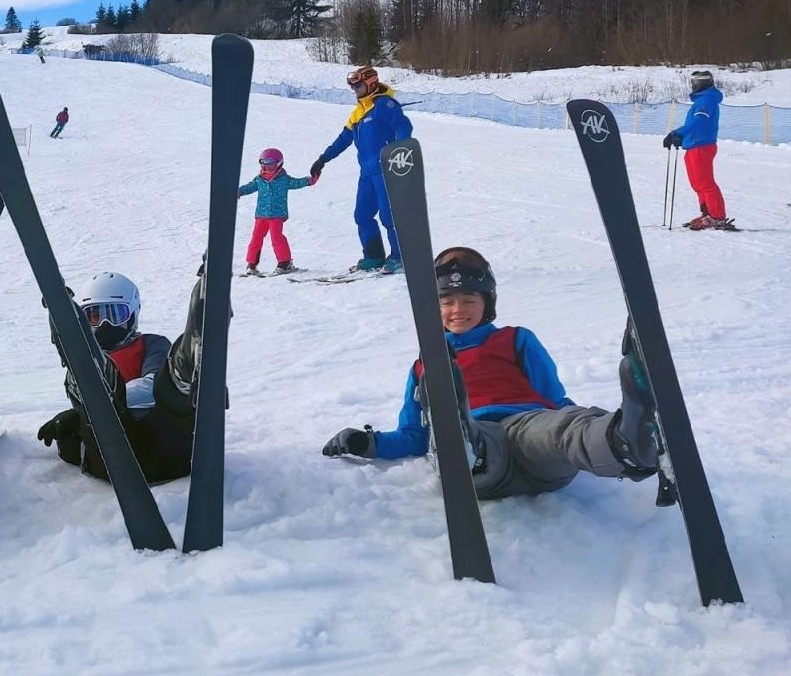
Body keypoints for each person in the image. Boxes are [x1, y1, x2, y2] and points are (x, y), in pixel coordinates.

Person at [321, 246, 660, 500]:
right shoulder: (426, 366)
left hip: (528, 429)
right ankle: (462, 446)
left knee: (560, 430)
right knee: (473, 438)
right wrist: (369, 443)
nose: (458, 309)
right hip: (482, 451)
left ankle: (626, 442)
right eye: (447, 301)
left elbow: (554, 400)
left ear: (487, 302)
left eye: (469, 299)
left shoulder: (515, 339)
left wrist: (583, 424)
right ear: (433, 308)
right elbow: (412, 435)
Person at [37, 269, 207, 484]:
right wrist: (77, 418)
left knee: (167, 389)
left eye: (115, 315)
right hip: (114, 457)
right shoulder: (85, 364)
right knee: (90, 383)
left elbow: (152, 385)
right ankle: (94, 385)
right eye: (95, 316)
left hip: (164, 445)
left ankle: (187, 363)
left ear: (133, 313)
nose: (105, 325)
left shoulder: (151, 344)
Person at [310, 65, 413, 274]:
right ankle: (374, 256)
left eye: (358, 85)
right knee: (362, 215)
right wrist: (323, 159)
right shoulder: (358, 112)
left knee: (388, 215)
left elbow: (403, 127)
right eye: (353, 86)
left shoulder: (384, 104)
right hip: (366, 173)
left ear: (371, 83)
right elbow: (343, 140)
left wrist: (400, 152)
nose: (355, 90)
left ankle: (400, 257)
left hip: (386, 169)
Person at [664, 70, 732, 229]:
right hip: (695, 145)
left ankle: (717, 216)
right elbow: (696, 126)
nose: (692, 86)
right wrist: (682, 138)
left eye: (694, 83)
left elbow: (700, 122)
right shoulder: (702, 100)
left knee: (705, 183)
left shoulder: (706, 100)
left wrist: (678, 133)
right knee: (697, 184)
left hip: (702, 146)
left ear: (701, 84)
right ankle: (708, 214)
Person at [237, 148, 316, 275]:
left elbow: (296, 183)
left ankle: (285, 263)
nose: (268, 169)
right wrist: (239, 191)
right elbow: (250, 187)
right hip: (261, 215)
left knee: (276, 237)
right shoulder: (259, 179)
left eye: (272, 166)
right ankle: (251, 265)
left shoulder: (284, 179)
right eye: (265, 165)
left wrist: (309, 180)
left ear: (279, 164)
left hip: (277, 215)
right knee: (256, 238)